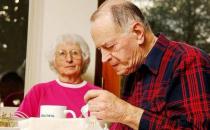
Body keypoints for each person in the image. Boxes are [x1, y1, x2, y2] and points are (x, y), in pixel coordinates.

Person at [84, 0, 210, 129]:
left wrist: (126, 113)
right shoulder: (133, 69)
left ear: (138, 33)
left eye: (110, 46)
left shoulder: (188, 60)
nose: (104, 59)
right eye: (101, 50)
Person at [15, 34, 100, 118]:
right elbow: (18, 123)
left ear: (84, 58)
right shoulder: (38, 91)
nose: (69, 59)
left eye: (75, 53)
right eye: (62, 53)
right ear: (53, 60)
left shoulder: (97, 94)